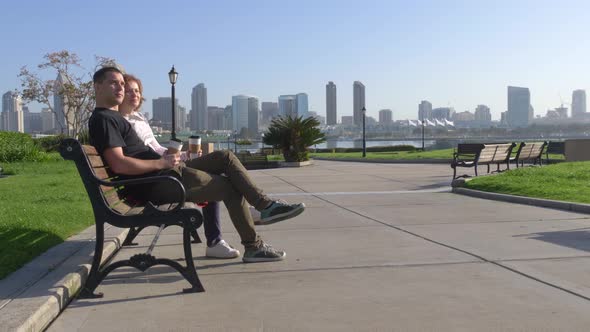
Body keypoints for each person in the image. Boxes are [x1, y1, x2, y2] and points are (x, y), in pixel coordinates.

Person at [88, 66, 305, 262]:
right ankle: (253, 245)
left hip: (165, 175)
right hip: (159, 183)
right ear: (98, 87)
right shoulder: (104, 119)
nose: (121, 88)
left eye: (122, 84)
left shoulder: (112, 117)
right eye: (113, 83)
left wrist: (167, 161)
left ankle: (265, 206)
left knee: (225, 157)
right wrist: (160, 164)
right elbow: (119, 165)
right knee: (230, 187)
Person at [119, 74, 238, 259]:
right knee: (215, 174)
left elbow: (157, 149)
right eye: (128, 91)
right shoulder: (121, 123)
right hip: (155, 179)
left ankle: (219, 237)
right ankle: (218, 237)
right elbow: (144, 155)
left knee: (219, 164)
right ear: (119, 94)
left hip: (163, 169)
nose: (134, 94)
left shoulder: (140, 118)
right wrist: (171, 158)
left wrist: (182, 155)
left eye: (136, 90)